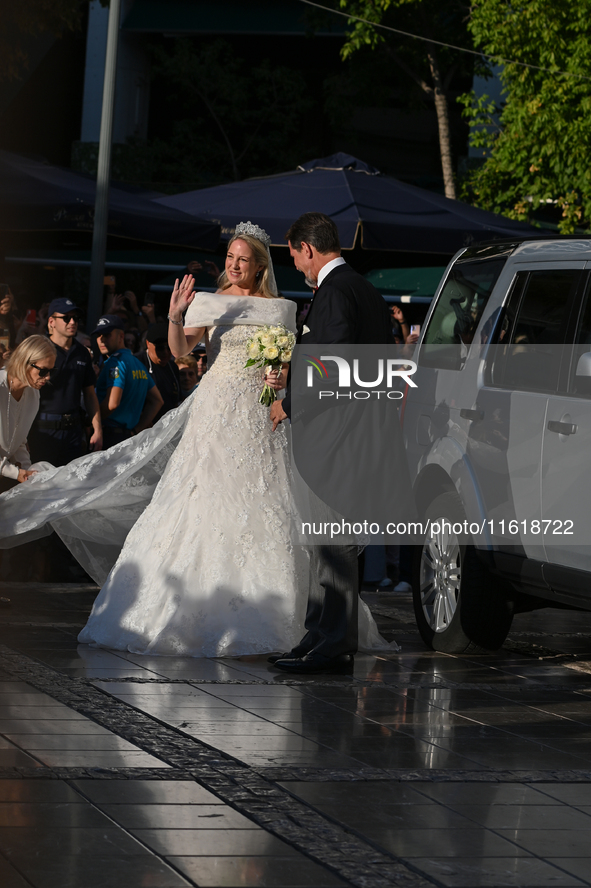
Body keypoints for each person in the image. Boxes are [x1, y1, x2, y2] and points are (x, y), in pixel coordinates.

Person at [0, 223, 390, 659]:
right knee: (199, 499)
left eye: (243, 259)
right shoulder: (210, 301)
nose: (235, 265)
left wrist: (283, 379)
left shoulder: (282, 308)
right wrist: (174, 314)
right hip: (215, 412)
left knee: (270, 504)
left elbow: (292, 359)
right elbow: (181, 348)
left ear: (260, 265)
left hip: (262, 414)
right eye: (229, 258)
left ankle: (304, 622)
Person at [269, 211, 401, 674]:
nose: (296, 266)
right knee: (321, 538)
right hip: (353, 434)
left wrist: (289, 403)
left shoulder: (336, 292)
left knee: (333, 539)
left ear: (308, 248)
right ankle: (319, 632)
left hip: (338, 437)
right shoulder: (364, 289)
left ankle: (334, 639)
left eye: (294, 255)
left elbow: (336, 365)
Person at [28, 298, 103, 466]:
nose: (72, 322)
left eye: (75, 318)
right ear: (51, 322)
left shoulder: (82, 353)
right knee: (39, 486)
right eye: (66, 318)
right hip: (42, 432)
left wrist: (98, 430)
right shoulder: (38, 350)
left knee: (70, 487)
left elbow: (90, 395)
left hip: (73, 433)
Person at [94, 315, 163, 449]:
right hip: (129, 439)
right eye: (98, 335)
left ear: (121, 336)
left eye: (107, 335)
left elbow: (112, 403)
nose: (101, 339)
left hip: (110, 436)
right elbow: (157, 401)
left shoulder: (116, 362)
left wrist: (91, 421)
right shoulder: (137, 363)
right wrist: (136, 430)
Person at [0, 335, 56, 491]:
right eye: (43, 371)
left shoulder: (33, 394)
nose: (48, 377)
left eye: (51, 371)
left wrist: (28, 472)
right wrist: (16, 472)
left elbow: (19, 440)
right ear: (25, 362)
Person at [137, 323, 181, 422]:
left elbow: (175, 401)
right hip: (143, 428)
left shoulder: (173, 367)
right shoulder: (137, 363)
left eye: (169, 347)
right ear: (148, 344)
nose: (165, 352)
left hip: (167, 427)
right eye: (160, 347)